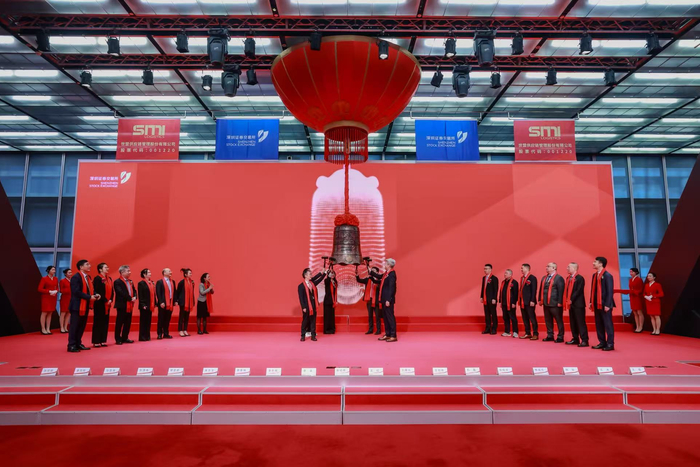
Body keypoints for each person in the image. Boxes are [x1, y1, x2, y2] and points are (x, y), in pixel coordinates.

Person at [67, 259, 100, 353]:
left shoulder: (88, 277)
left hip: (85, 305)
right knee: (74, 326)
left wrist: (95, 294)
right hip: (77, 305)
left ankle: (78, 343)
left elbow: (90, 289)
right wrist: (89, 297)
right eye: (87, 264)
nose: (89, 266)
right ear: (81, 267)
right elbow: (76, 291)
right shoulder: (76, 277)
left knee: (81, 326)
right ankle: (71, 345)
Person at [590, 256, 616, 351]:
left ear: (601, 264)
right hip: (596, 303)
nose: (593, 263)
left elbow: (610, 291)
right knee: (599, 324)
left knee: (608, 325)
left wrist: (608, 304)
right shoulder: (594, 275)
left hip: (605, 304)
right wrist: (591, 301)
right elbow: (593, 290)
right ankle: (602, 342)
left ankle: (610, 344)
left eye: (595, 262)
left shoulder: (607, 275)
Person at [298, 267, 327, 342]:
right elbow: (301, 298)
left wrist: (324, 273)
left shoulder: (312, 283)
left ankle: (313, 335)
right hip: (306, 306)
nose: (311, 275)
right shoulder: (301, 286)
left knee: (313, 321)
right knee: (305, 321)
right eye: (310, 274)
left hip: (313, 305)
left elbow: (319, 279)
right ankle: (303, 335)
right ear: (305, 275)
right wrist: (303, 307)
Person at [539, 262, 565, 343]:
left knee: (558, 320)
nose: (546, 267)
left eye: (548, 266)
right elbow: (541, 289)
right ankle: (550, 335)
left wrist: (560, 302)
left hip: (555, 303)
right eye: (546, 266)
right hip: (546, 302)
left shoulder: (559, 278)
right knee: (548, 320)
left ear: (554, 268)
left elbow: (561, 291)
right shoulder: (544, 278)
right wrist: (540, 299)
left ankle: (560, 336)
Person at [563, 262, 588, 347]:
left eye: (568, 267)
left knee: (580, 322)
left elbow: (579, 290)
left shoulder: (579, 278)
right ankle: (575, 338)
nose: (567, 269)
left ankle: (584, 340)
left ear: (574, 268)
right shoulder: (568, 278)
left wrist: (571, 299)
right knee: (573, 322)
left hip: (578, 304)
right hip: (571, 304)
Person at [113, 265, 137, 345]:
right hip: (122, 305)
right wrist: (130, 298)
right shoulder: (117, 282)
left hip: (130, 304)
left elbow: (134, 290)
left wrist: (135, 297)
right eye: (128, 271)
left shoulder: (130, 281)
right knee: (120, 322)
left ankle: (125, 337)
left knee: (128, 322)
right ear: (122, 272)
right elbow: (120, 292)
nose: (130, 272)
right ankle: (118, 338)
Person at [91, 263, 114, 347]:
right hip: (99, 303)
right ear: (100, 269)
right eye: (105, 267)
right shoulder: (97, 278)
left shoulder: (109, 278)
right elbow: (98, 290)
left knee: (105, 322)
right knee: (98, 322)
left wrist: (111, 299)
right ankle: (96, 341)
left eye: (107, 267)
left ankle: (103, 340)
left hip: (107, 304)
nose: (107, 268)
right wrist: (105, 300)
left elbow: (112, 290)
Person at [356, 265, 382, 335]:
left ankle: (378, 330)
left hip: (376, 300)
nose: (372, 272)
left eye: (374, 271)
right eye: (371, 270)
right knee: (370, 315)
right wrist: (357, 275)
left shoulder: (379, 280)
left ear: (377, 272)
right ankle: (370, 329)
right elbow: (359, 280)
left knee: (377, 316)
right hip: (369, 300)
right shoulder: (368, 279)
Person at [378, 258, 398, 343]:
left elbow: (391, 288)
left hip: (388, 300)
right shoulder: (386, 274)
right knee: (385, 318)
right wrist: (369, 270)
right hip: (383, 299)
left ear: (389, 265)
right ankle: (388, 334)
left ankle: (393, 335)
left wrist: (388, 299)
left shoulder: (392, 274)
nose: (384, 265)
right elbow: (379, 277)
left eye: (386, 263)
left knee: (390, 317)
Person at [518, 264, 538, 340]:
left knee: (532, 318)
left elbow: (534, 290)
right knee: (525, 318)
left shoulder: (532, 278)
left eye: (522, 268)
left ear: (527, 268)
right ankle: (527, 333)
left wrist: (532, 300)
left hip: (530, 302)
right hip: (523, 301)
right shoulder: (522, 278)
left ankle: (535, 333)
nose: (521, 270)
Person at [37, 265, 58, 335]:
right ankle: (43, 328)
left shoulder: (55, 279)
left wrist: (56, 291)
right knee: (44, 313)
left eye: (54, 270)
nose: (54, 271)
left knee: (50, 313)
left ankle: (48, 328)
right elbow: (40, 289)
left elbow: (57, 287)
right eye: (52, 270)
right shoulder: (44, 279)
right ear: (48, 271)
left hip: (53, 297)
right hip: (46, 297)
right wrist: (49, 291)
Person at [498, 269, 519, 338]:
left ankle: (515, 332)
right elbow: (501, 292)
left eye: (506, 273)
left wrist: (514, 302)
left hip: (511, 304)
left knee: (513, 318)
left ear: (510, 274)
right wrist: (500, 301)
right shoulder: (503, 282)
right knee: (505, 317)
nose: (505, 274)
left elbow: (516, 294)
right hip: (504, 303)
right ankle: (507, 331)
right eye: (504, 273)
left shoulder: (514, 282)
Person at [137, 268, 156, 341]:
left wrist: (155, 303)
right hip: (144, 305)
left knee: (148, 321)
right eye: (148, 272)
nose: (150, 273)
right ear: (144, 274)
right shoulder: (141, 283)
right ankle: (142, 336)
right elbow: (141, 295)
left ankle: (147, 336)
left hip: (150, 304)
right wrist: (142, 304)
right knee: (143, 321)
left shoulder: (151, 283)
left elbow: (153, 294)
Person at [156, 268, 175, 339]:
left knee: (167, 319)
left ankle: (166, 333)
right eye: (169, 271)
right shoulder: (160, 282)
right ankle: (159, 333)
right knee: (161, 319)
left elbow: (174, 292)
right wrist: (161, 302)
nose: (171, 272)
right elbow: (158, 293)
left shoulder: (172, 282)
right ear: (164, 273)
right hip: (163, 303)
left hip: (170, 302)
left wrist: (175, 300)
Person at [176, 268, 196, 337]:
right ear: (185, 274)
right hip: (183, 302)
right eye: (189, 273)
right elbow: (178, 292)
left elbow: (192, 293)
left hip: (189, 302)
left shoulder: (192, 282)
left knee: (187, 316)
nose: (191, 274)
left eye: (191, 273)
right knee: (181, 316)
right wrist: (177, 300)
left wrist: (193, 301)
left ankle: (185, 329)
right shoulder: (181, 282)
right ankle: (180, 330)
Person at [480, 264, 499, 335]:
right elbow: (483, 288)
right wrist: (481, 296)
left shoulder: (494, 278)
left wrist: (494, 298)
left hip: (492, 299)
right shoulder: (484, 278)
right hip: (485, 299)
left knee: (493, 314)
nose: (485, 270)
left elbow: (496, 289)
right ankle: (487, 328)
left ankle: (494, 329)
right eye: (484, 269)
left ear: (490, 269)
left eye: (487, 269)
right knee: (487, 314)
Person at [628, 268, 645, 333]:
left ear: (636, 272)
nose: (630, 273)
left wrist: (635, 292)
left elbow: (641, 289)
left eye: (632, 272)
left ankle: (641, 326)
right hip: (632, 297)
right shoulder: (630, 280)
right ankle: (637, 326)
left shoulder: (639, 279)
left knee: (639, 312)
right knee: (635, 312)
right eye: (630, 272)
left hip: (637, 297)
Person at [323, 270, 338, 334]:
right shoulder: (327, 281)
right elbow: (328, 281)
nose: (332, 275)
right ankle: (326, 330)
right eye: (331, 274)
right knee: (327, 316)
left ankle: (332, 329)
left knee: (332, 316)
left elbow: (335, 292)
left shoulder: (335, 282)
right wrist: (328, 274)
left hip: (333, 301)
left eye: (333, 273)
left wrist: (335, 301)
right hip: (327, 301)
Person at [59, 268, 72, 334]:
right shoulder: (62, 281)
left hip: (71, 298)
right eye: (69, 273)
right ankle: (61, 327)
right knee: (63, 313)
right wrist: (69, 290)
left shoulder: (72, 281)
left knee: (68, 313)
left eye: (71, 272)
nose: (70, 274)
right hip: (64, 298)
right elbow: (61, 290)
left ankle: (65, 327)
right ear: (65, 274)